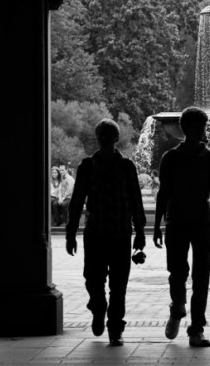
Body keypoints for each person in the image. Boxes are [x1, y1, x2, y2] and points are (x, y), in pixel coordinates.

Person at [66, 119, 146, 346]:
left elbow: (77, 202)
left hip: (103, 233)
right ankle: (102, 310)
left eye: (106, 135)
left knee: (101, 281)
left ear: (110, 138)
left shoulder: (116, 166)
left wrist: (71, 232)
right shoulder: (94, 166)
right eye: (103, 135)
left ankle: (112, 324)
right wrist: (139, 231)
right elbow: (135, 201)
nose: (105, 139)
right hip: (113, 232)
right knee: (108, 282)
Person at [153, 107, 210, 348]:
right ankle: (183, 315)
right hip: (191, 220)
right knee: (187, 273)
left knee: (190, 274)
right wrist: (156, 225)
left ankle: (191, 322)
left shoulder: (189, 157)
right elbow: (164, 192)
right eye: (202, 127)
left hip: (189, 220)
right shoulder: (186, 157)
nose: (204, 132)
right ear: (191, 129)